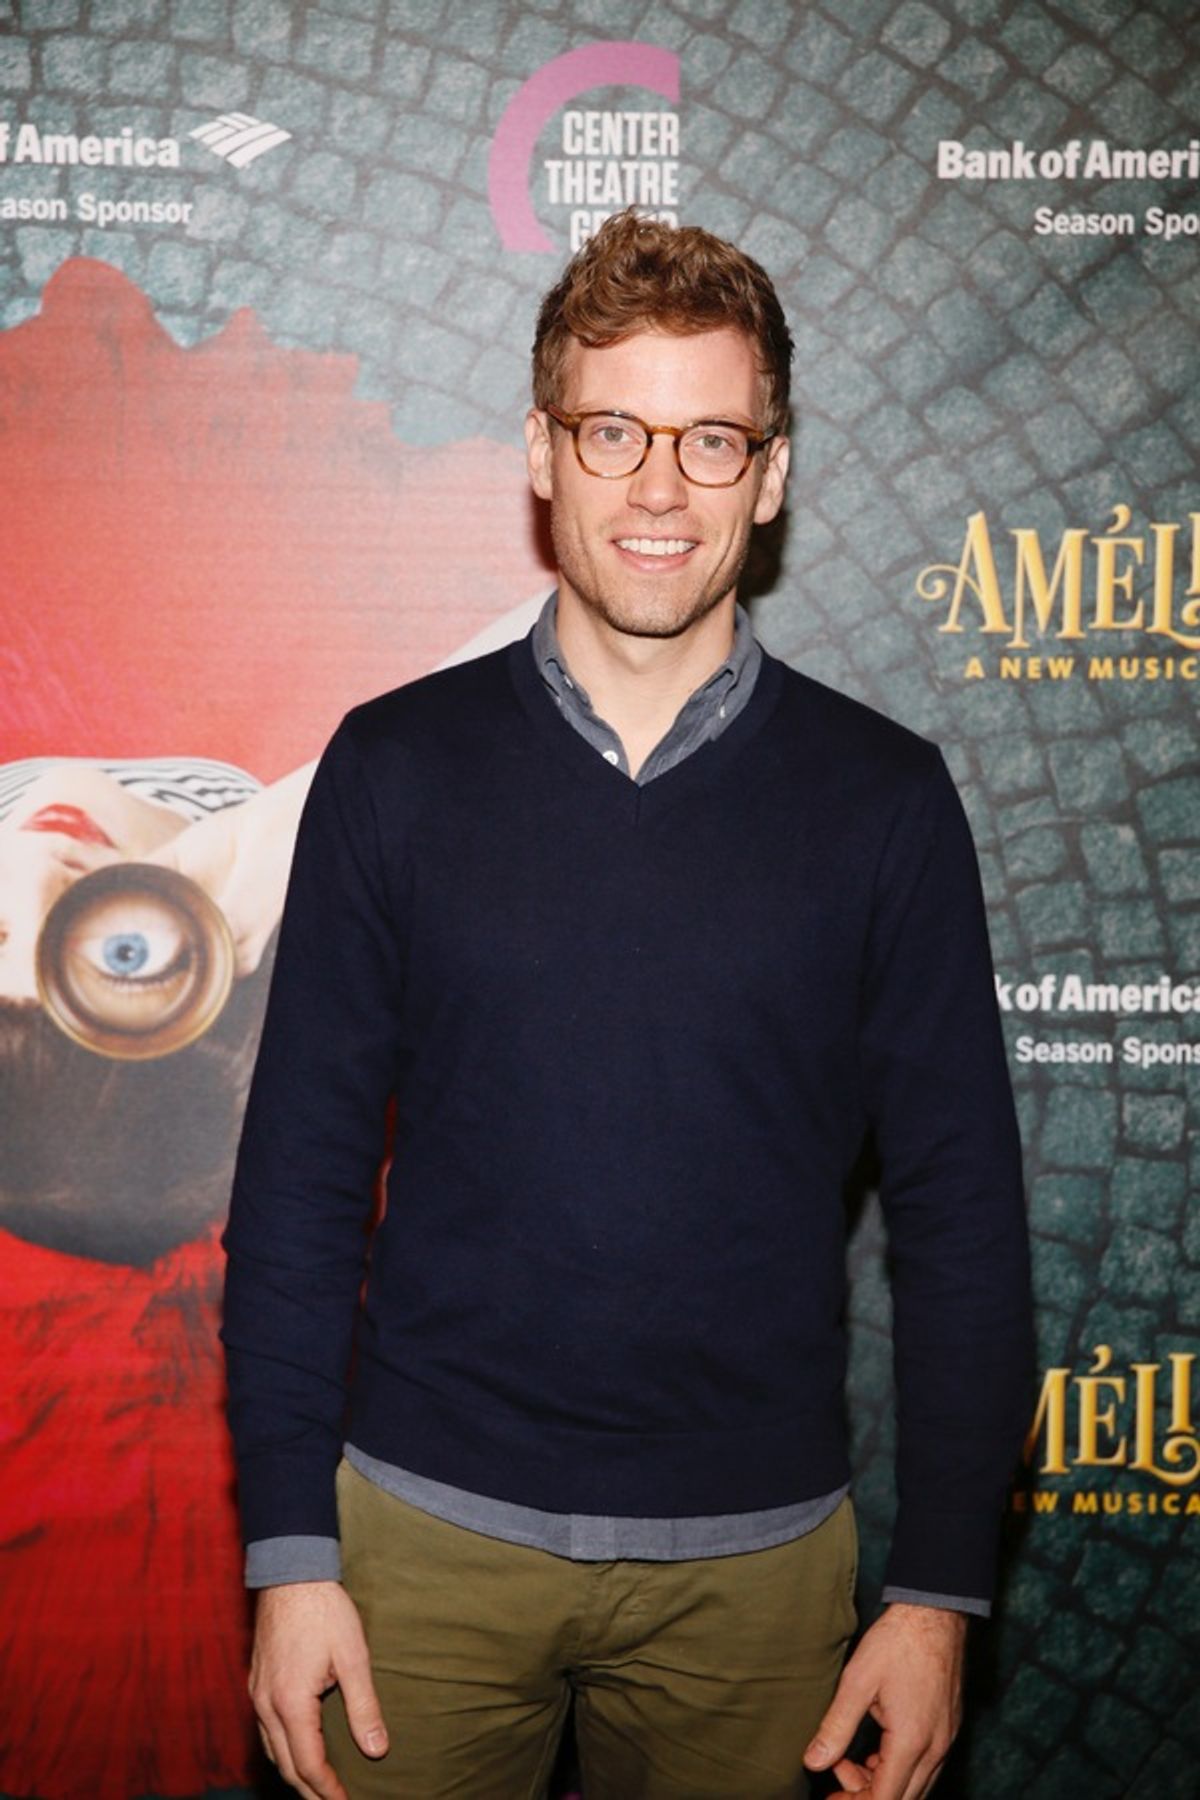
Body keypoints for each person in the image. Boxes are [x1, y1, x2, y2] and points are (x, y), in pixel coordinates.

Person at [223, 212, 1033, 1800]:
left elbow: (964, 1225)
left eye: (711, 439)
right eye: (616, 430)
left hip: (762, 1583)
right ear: (543, 450)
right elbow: (301, 1186)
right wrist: (286, 1552)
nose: (661, 487)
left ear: (773, 472)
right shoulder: (393, 771)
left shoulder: (886, 804)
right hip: (417, 1556)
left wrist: (940, 1598)